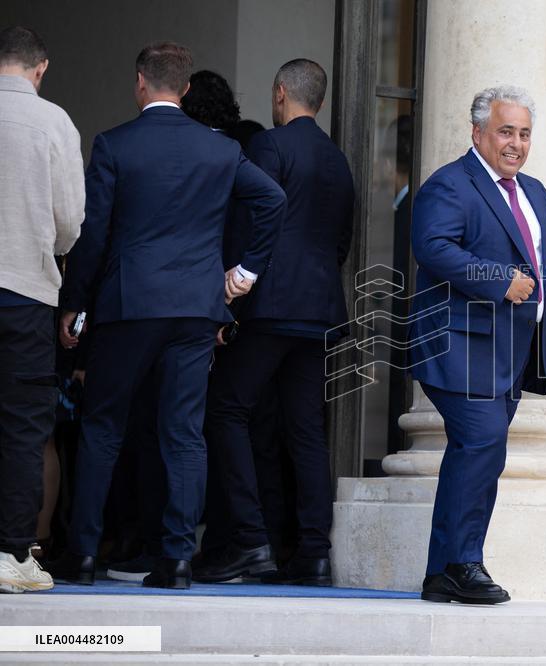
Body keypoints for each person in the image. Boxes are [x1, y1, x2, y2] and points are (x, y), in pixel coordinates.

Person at [48, 41, 286, 590]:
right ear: (183, 89)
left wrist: (74, 303)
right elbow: (272, 200)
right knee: (183, 434)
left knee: (103, 428)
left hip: (128, 306)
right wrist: (244, 275)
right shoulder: (221, 151)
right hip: (197, 309)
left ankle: (83, 554)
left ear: (140, 83)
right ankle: (177, 560)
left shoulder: (114, 145)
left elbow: (92, 235)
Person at [407, 85, 546, 604]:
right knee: (482, 446)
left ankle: (442, 572)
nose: (516, 144)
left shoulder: (535, 191)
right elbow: (431, 247)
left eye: (524, 133)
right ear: (478, 132)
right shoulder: (450, 185)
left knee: (475, 454)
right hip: (458, 343)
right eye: (506, 132)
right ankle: (464, 563)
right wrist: (499, 278)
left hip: (509, 350)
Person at [196, 58, 354, 586]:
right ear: (322, 101)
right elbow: (341, 244)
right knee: (306, 429)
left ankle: (250, 540)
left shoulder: (268, 146)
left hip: (268, 306)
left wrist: (229, 302)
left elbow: (250, 223)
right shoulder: (339, 160)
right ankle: (313, 551)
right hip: (320, 311)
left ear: (280, 93)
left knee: (225, 409)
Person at [0, 25, 85, 593]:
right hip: (25, 291)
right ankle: (9, 553)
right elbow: (70, 223)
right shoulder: (54, 122)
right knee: (23, 426)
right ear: (41, 68)